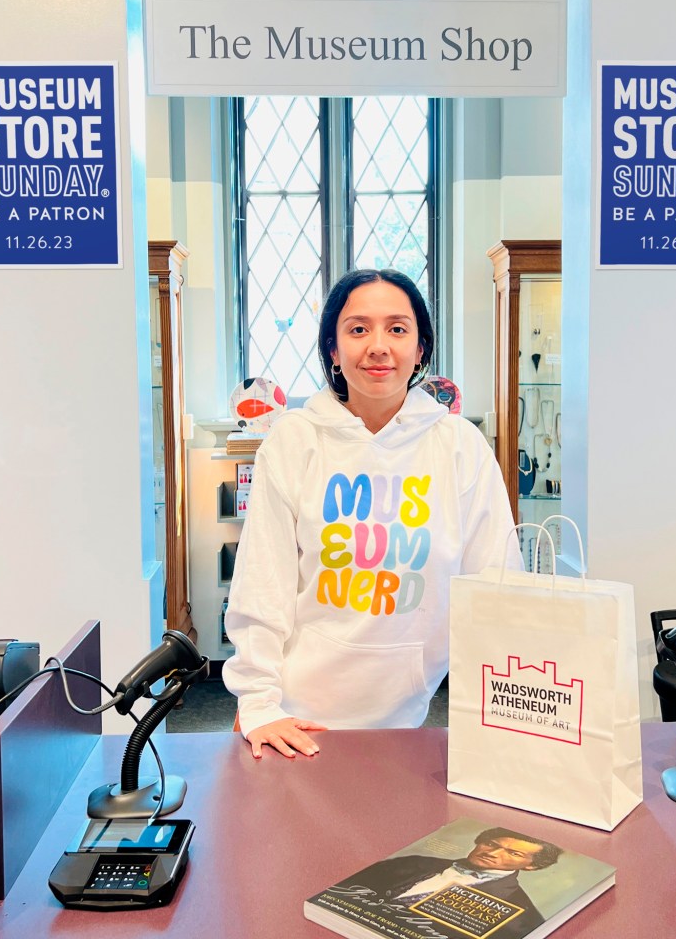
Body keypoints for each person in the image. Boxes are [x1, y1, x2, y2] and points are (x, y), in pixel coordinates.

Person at [223, 267, 522, 759]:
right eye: (358, 329)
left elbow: (496, 582)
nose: (378, 346)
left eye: (398, 329)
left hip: (408, 721)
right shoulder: (295, 440)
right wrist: (257, 702)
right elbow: (263, 582)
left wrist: (503, 711)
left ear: (421, 348)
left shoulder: (459, 446)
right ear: (334, 350)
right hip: (293, 719)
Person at [337, 826, 561, 934]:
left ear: (532, 866)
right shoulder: (414, 861)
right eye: (492, 844)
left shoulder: (521, 917)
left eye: (514, 854)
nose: (492, 854)